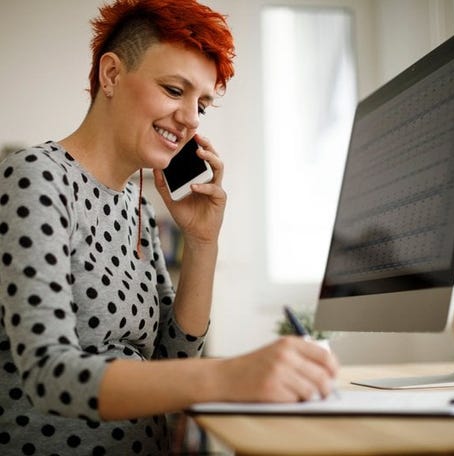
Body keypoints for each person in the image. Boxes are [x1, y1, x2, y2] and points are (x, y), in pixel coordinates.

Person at [0, 0, 339, 454]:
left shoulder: (134, 201)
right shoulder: (35, 175)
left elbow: (172, 361)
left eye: (202, 103)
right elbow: (48, 375)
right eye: (174, 90)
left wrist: (202, 242)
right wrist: (230, 374)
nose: (191, 118)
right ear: (112, 76)